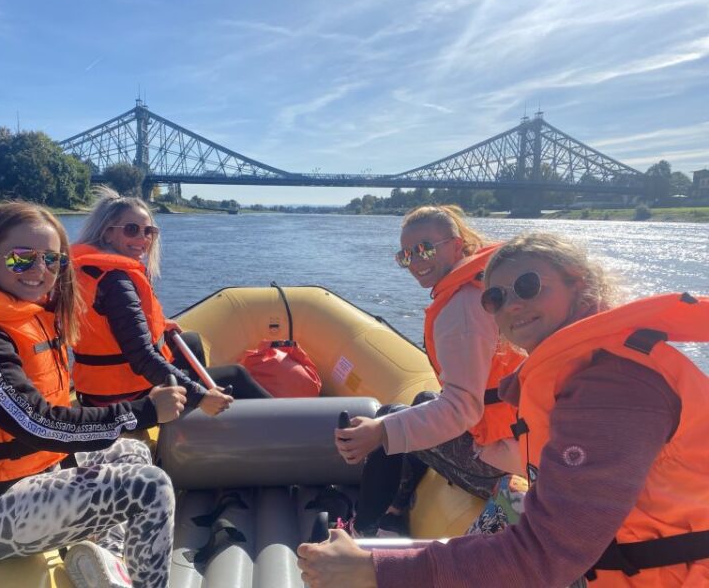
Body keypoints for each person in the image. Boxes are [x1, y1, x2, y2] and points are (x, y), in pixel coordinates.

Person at [298, 232, 709, 587]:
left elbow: (546, 555)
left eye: (528, 286)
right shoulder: (585, 368)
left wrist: (374, 570)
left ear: (577, 283)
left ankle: (372, 528)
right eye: (495, 297)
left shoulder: (612, 387)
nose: (511, 304)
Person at [0, 203, 187, 588]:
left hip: (21, 475)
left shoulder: (20, 313)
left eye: (53, 260)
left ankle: (104, 562)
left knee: (133, 452)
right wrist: (142, 412)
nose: (41, 270)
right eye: (22, 258)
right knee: (150, 486)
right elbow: (35, 422)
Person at [334, 205, 524, 537]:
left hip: (505, 463)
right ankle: (394, 511)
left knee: (390, 416)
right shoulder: (481, 287)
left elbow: (461, 408)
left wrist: (380, 431)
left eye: (423, 249)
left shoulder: (463, 309)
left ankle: (363, 531)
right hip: (520, 437)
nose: (415, 262)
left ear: (456, 243)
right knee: (424, 398)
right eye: (405, 255)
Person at [70, 188, 271, 411]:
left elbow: (114, 325)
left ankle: (194, 420)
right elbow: (142, 357)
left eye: (148, 231)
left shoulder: (91, 270)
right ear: (107, 233)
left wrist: (161, 326)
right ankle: (289, 422)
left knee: (191, 340)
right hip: (123, 395)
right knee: (237, 375)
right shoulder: (115, 282)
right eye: (131, 230)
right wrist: (200, 395)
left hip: (97, 387)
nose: (142, 238)